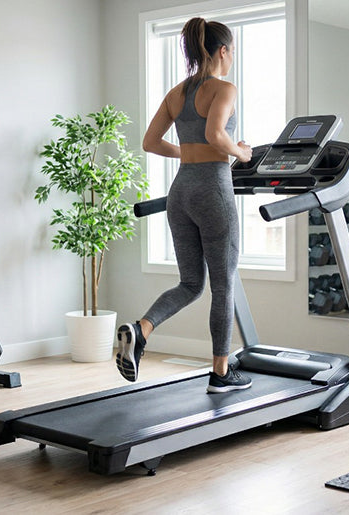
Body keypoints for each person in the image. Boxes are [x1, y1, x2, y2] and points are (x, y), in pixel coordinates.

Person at [115, 16, 254, 393]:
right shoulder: (225, 88)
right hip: (213, 189)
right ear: (223, 51)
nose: (233, 57)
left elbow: (150, 141)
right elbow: (215, 133)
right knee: (222, 286)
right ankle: (221, 373)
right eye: (233, 50)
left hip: (181, 191)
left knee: (191, 283)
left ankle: (141, 331)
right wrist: (240, 154)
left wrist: (187, 152)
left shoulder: (176, 93)